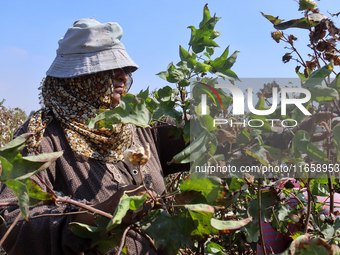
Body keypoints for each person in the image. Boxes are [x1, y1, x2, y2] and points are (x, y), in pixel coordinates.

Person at [0, 18, 186, 255]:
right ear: (78, 79)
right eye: (110, 69)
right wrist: (94, 214)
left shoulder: (136, 122)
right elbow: (12, 220)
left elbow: (195, 142)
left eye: (125, 69)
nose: (123, 76)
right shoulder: (39, 138)